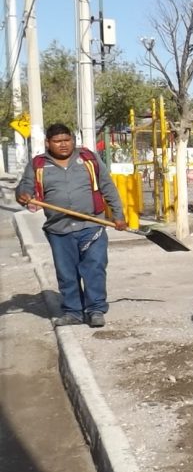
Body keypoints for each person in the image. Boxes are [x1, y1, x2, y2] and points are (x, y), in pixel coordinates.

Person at [16, 123, 127, 328]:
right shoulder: (38, 164)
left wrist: (118, 215)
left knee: (94, 268)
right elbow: (25, 187)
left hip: (91, 225)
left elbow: (107, 186)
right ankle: (73, 311)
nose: (63, 145)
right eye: (58, 141)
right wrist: (23, 195)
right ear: (48, 143)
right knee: (66, 272)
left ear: (73, 140)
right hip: (59, 229)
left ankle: (95, 309)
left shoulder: (88, 159)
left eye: (67, 140)